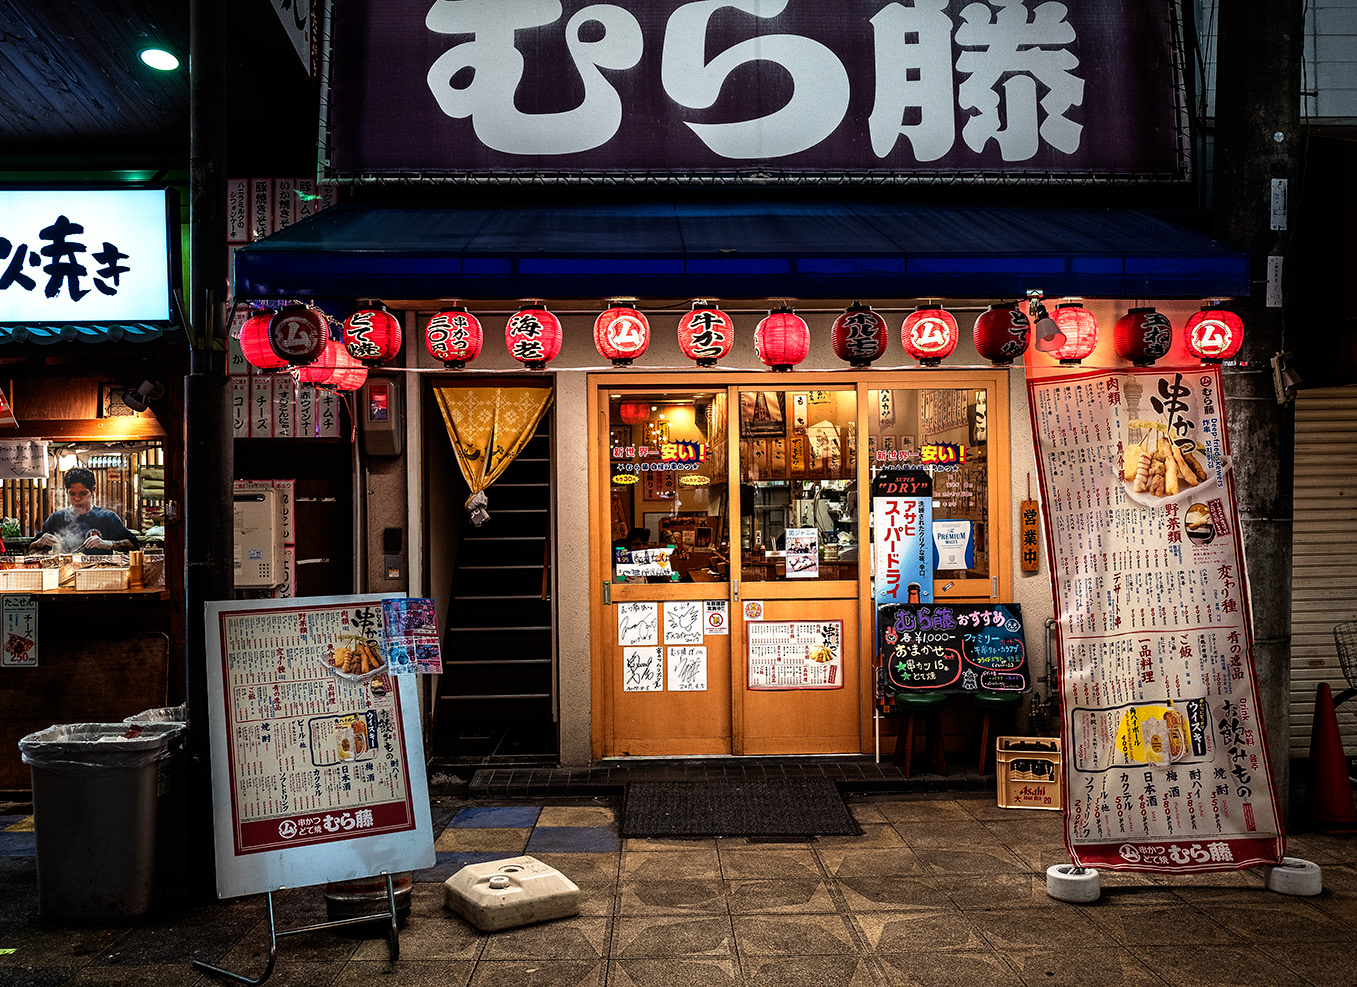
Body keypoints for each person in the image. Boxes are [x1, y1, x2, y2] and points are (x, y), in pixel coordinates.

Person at [33, 467, 141, 555]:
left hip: (99, 572)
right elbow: (31, 548)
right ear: (66, 492)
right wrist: (39, 543)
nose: (77, 499)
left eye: (83, 493)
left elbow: (134, 544)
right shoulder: (57, 518)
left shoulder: (107, 518)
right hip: (64, 571)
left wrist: (107, 544)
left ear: (93, 490)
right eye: (72, 494)